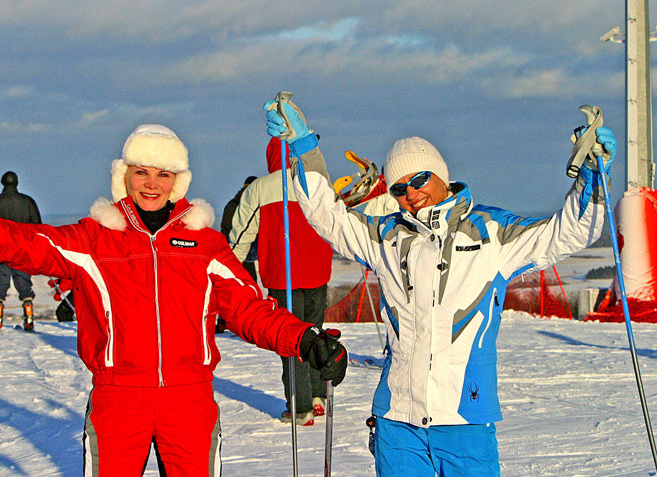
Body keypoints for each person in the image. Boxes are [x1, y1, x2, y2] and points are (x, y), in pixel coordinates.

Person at [0, 123, 348, 476]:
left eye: (163, 173)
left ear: (178, 181)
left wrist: (304, 339)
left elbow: (251, 309)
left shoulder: (205, 244)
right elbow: (17, 242)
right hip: (118, 400)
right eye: (142, 172)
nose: (152, 183)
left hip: (188, 401)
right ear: (124, 175)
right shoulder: (95, 239)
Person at [263, 98, 616, 476]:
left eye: (419, 180)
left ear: (441, 175)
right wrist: (304, 148)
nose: (411, 193)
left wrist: (592, 176)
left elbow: (568, 232)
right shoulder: (386, 236)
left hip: (465, 419)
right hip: (397, 421)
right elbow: (327, 215)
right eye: (399, 188)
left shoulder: (491, 234)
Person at [229, 137, 334, 426]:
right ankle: (317, 396)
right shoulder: (317, 183)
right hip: (318, 271)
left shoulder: (260, 188)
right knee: (315, 333)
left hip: (282, 275)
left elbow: (242, 232)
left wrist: (230, 268)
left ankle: (300, 408)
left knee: (291, 338)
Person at [0, 171, 42, 332]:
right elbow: (37, 226)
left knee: (1, 282)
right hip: (22, 249)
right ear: (16, 183)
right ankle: (29, 318)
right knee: (24, 283)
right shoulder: (28, 202)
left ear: (3, 182)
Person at [216, 175, 258, 333]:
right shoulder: (248, 204)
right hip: (242, 250)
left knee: (231, 287)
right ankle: (242, 321)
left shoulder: (232, 204)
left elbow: (225, 228)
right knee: (247, 286)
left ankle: (225, 320)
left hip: (230, 250)